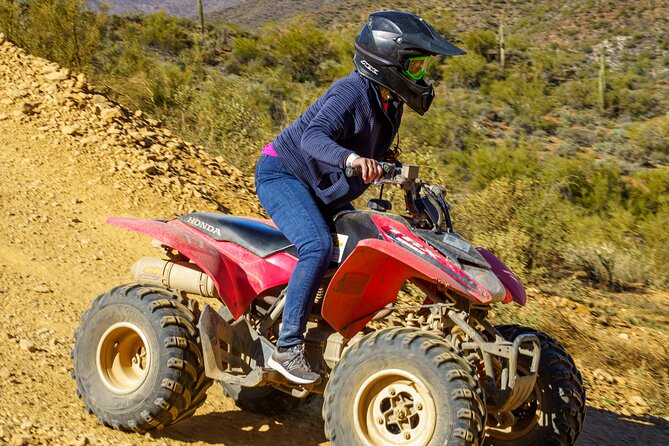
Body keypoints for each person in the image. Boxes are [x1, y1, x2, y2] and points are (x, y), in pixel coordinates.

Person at [255, 10, 465, 384]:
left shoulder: (390, 103)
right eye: (415, 67)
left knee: (362, 244)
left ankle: (320, 324)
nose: (420, 76)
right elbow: (312, 138)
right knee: (317, 246)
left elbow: (381, 158)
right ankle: (288, 348)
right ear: (387, 61)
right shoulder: (352, 91)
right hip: (283, 174)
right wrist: (352, 159)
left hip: (324, 186)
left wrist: (410, 198)